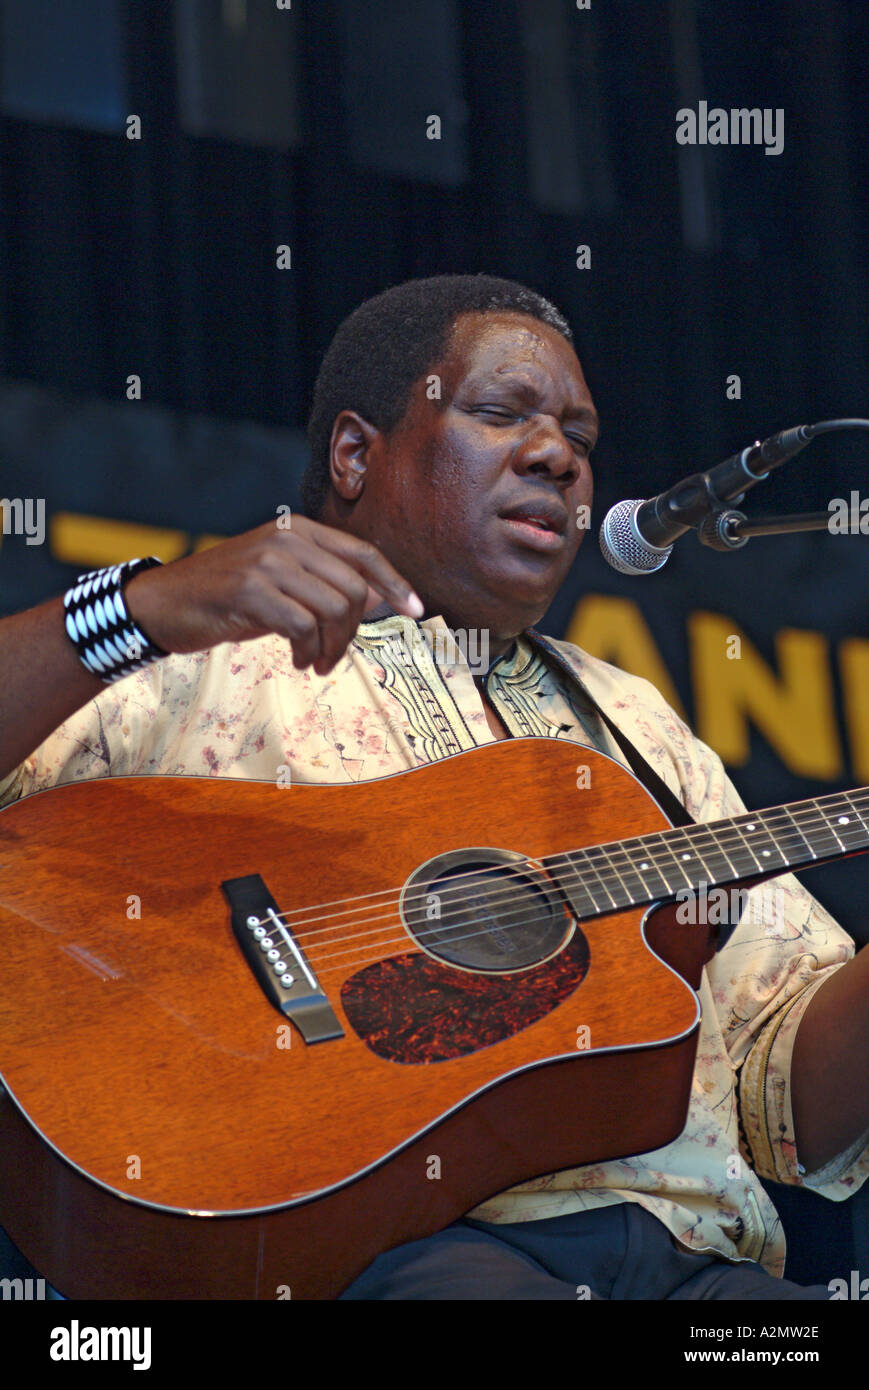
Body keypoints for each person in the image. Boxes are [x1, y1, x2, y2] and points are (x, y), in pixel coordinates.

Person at [1, 274, 867, 1300]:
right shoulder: (202, 650)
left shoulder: (636, 727)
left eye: (579, 437)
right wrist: (130, 609)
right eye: (501, 412)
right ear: (356, 454)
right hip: (391, 1253)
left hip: (701, 1273)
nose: (557, 455)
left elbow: (783, 1104)